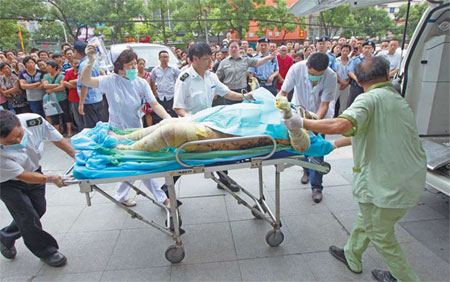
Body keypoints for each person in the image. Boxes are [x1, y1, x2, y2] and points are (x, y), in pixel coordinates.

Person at [283, 57, 426, 282]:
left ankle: (405, 278)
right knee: (367, 217)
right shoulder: (396, 99)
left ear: (357, 80)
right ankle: (352, 254)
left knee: (381, 234)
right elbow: (366, 130)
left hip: (388, 183)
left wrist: (302, 124)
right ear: (387, 76)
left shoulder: (368, 100)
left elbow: (342, 124)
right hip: (408, 176)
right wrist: (332, 144)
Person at [80, 44, 172, 207]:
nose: (134, 68)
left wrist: (168, 119)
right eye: (130, 66)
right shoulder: (110, 81)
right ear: (120, 68)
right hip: (116, 131)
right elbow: (85, 80)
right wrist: (90, 61)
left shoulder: (141, 83)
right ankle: (162, 198)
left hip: (136, 129)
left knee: (131, 164)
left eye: (135, 64)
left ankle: (121, 195)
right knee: (139, 163)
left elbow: (155, 104)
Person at [173, 42, 256, 192]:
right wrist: (190, 118)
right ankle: (166, 188)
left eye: (210, 57)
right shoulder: (184, 79)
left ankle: (224, 179)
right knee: (183, 160)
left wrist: (247, 96)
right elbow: (178, 107)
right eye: (205, 58)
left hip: (207, 123)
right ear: (194, 59)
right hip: (189, 126)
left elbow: (227, 93)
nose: (210, 61)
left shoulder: (211, 76)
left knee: (218, 151)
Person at [0, 110, 76, 267]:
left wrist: (77, 156)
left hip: (34, 170)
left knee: (39, 209)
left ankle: (5, 236)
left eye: (19, 134)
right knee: (27, 215)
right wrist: (51, 178)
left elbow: (57, 138)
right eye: (10, 142)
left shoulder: (33, 121)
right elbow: (22, 176)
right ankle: (47, 251)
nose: (18, 140)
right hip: (7, 182)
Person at [276, 52, 337, 203]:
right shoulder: (296, 69)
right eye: (312, 74)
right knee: (301, 146)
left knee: (318, 150)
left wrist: (315, 123)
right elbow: (283, 93)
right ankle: (306, 171)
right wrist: (282, 107)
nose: (314, 77)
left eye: (319, 75)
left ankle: (317, 187)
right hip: (299, 113)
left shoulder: (330, 76)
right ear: (307, 65)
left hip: (320, 116)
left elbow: (324, 104)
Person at [216, 40, 278, 105]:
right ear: (229, 48)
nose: (233, 49)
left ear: (239, 48)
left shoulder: (245, 60)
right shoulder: (223, 62)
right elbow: (217, 76)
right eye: (232, 47)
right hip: (229, 93)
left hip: (242, 91)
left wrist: (269, 57)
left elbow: (258, 61)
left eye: (235, 47)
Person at [73, 40, 103, 128]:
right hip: (97, 97)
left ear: (77, 51)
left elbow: (84, 86)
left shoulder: (84, 65)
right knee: (98, 125)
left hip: (89, 100)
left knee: (92, 127)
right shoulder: (94, 61)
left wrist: (81, 103)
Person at [42, 60, 72, 136]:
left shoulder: (61, 75)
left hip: (61, 98)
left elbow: (62, 87)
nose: (47, 68)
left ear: (54, 67)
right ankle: (57, 133)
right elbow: (45, 85)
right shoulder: (46, 76)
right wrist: (57, 85)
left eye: (48, 66)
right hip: (51, 100)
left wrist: (52, 89)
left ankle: (69, 131)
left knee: (66, 114)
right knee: (54, 115)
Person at [150, 51, 180, 123]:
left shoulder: (174, 69)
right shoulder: (155, 70)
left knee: (173, 115)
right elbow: (152, 81)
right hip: (160, 95)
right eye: (163, 57)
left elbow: (180, 79)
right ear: (159, 58)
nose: (165, 59)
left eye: (166, 57)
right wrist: (155, 92)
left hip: (171, 95)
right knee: (161, 116)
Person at [347, 40, 375, 107]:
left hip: (370, 86)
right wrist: (357, 79)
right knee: (352, 104)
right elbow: (350, 71)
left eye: (369, 48)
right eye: (365, 48)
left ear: (373, 49)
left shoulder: (376, 60)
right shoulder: (356, 59)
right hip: (357, 85)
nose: (366, 50)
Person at [63, 58, 84, 132]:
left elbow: (83, 83)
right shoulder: (69, 72)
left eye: (78, 63)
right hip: (73, 98)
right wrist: (75, 85)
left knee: (84, 115)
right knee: (77, 116)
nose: (77, 65)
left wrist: (72, 83)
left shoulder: (82, 72)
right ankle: (80, 130)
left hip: (83, 98)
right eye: (75, 63)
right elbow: (64, 82)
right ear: (71, 64)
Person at [137, 58, 157, 127]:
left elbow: (152, 85)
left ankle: (149, 128)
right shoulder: (134, 76)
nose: (142, 66)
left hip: (147, 97)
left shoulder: (148, 75)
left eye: (143, 64)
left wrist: (154, 94)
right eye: (140, 64)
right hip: (137, 97)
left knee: (148, 113)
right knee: (140, 114)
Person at [334, 44, 352, 116]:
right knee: (333, 102)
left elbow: (352, 72)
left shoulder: (351, 61)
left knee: (344, 104)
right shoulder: (336, 60)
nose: (345, 52)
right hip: (337, 84)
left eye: (347, 51)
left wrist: (346, 83)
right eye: (343, 51)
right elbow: (334, 72)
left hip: (347, 85)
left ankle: (341, 118)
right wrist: (342, 82)